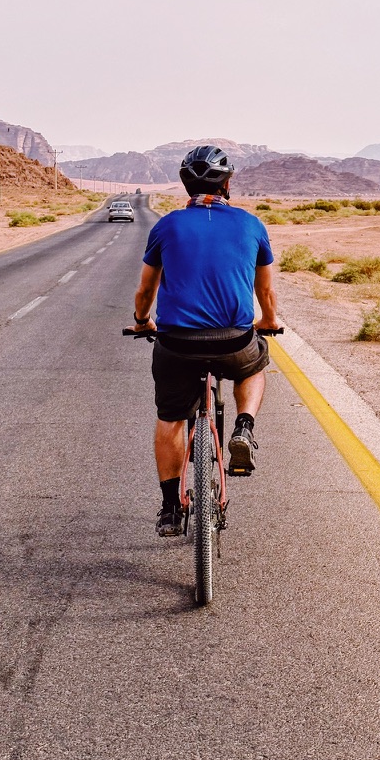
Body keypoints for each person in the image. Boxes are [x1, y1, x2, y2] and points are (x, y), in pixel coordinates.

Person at [127, 145, 280, 537]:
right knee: (255, 364)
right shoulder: (251, 225)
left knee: (170, 419)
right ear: (227, 183)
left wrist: (143, 322)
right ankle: (243, 428)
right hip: (233, 340)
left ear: (185, 185)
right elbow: (265, 293)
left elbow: (146, 291)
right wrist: (270, 322)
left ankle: (169, 509)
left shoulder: (167, 225)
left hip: (177, 343)